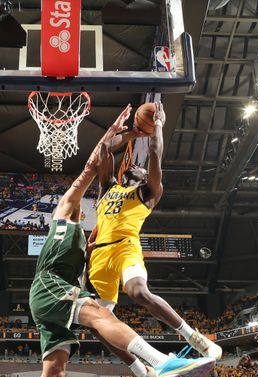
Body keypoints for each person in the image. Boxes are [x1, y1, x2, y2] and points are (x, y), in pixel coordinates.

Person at [0, 106, 216, 377]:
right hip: (50, 286)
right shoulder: (66, 212)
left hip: (79, 280)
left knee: (55, 372)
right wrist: (115, 136)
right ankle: (157, 363)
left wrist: (147, 133)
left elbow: (149, 164)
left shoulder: (92, 231)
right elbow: (93, 166)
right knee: (102, 316)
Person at [88, 102, 221, 361]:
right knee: (98, 324)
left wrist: (157, 124)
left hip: (125, 248)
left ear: (145, 177)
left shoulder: (148, 193)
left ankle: (196, 339)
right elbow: (104, 148)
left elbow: (155, 154)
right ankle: (144, 371)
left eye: (140, 168)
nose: (135, 166)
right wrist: (131, 134)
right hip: (99, 257)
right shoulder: (109, 187)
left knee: (138, 292)